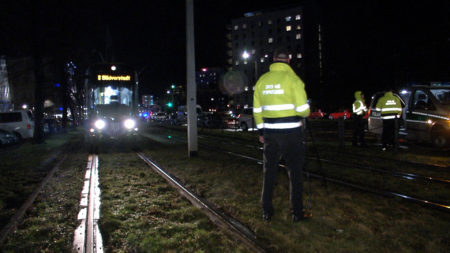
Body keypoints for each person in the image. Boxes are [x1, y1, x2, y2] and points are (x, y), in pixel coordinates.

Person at [253, 48, 310, 222]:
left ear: (274, 60)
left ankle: (267, 211)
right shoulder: (294, 80)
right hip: (292, 133)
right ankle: (297, 213)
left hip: (271, 133)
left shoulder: (262, 81)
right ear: (289, 60)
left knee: (269, 172)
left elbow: (257, 110)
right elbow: (303, 111)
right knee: (295, 173)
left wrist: (262, 131)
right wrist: (305, 109)